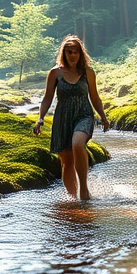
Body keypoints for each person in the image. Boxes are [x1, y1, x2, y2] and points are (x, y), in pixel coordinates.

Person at [33, 35, 109, 200]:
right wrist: (40, 118)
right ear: (64, 53)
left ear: (80, 54)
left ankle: (83, 190)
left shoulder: (88, 72)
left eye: (76, 52)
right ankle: (72, 198)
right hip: (62, 118)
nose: (73, 55)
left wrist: (103, 116)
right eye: (69, 52)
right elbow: (47, 98)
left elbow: (95, 98)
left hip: (84, 115)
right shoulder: (55, 73)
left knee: (77, 144)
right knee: (66, 161)